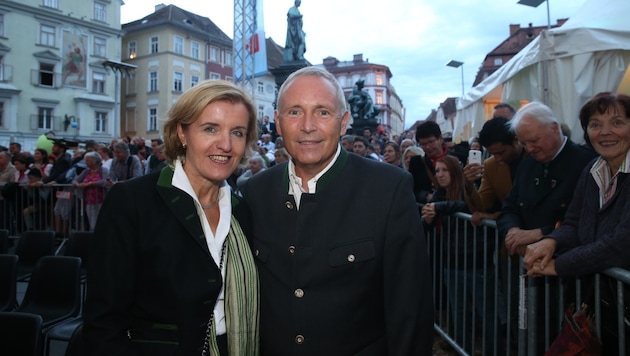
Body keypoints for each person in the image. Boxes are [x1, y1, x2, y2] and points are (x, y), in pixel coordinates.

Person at [241, 66, 433, 354]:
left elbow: (410, 312)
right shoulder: (256, 192)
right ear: (278, 124)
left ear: (343, 123)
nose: (308, 125)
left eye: (322, 112)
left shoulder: (388, 190)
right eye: (294, 112)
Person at [83, 80, 260, 355]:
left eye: (237, 132)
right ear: (182, 133)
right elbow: (104, 319)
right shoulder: (133, 201)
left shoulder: (241, 211)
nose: (225, 144)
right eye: (210, 129)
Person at [525, 93, 630, 276]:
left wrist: (559, 265)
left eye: (617, 123)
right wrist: (552, 241)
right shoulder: (591, 170)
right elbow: (574, 223)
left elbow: (622, 244)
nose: (605, 132)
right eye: (596, 125)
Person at [422, 155, 505, 354]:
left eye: (444, 170)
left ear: (455, 171)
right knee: (458, 314)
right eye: (437, 171)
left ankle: (495, 351)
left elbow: (467, 206)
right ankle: (462, 349)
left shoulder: (468, 190)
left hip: (477, 264)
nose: (439, 175)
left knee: (487, 314)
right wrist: (428, 217)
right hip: (451, 265)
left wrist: (438, 209)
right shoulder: (440, 195)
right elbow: (425, 224)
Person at [72, 151, 108, 231]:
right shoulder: (86, 171)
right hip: (88, 201)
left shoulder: (103, 170)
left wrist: (90, 184)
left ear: (94, 161)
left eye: (88, 160)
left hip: (100, 200)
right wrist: (77, 184)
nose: (86, 162)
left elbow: (105, 181)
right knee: (92, 223)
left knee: (100, 221)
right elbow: (75, 180)